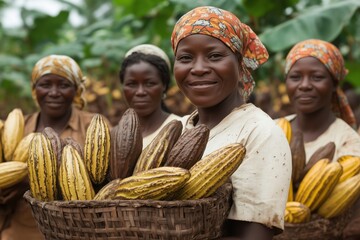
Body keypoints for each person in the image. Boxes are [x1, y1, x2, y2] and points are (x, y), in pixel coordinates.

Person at [171, 6, 292, 239]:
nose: (198, 69)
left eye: (214, 56)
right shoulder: (177, 128)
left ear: (240, 62)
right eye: (185, 58)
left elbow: (254, 235)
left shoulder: (259, 133)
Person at [0, 54, 111, 240]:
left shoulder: (94, 125)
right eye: (45, 84)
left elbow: (109, 177)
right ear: (35, 90)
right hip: (22, 231)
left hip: (80, 231)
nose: (54, 92)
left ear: (76, 90)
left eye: (64, 85)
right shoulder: (17, 127)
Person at [283, 39, 360, 240]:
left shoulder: (349, 142)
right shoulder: (270, 129)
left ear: (334, 84)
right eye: (295, 77)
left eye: (317, 77)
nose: (305, 85)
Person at [119, 44, 182, 149]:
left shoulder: (182, 129)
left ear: (164, 86)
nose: (140, 92)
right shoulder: (114, 135)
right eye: (132, 84)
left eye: (150, 83)